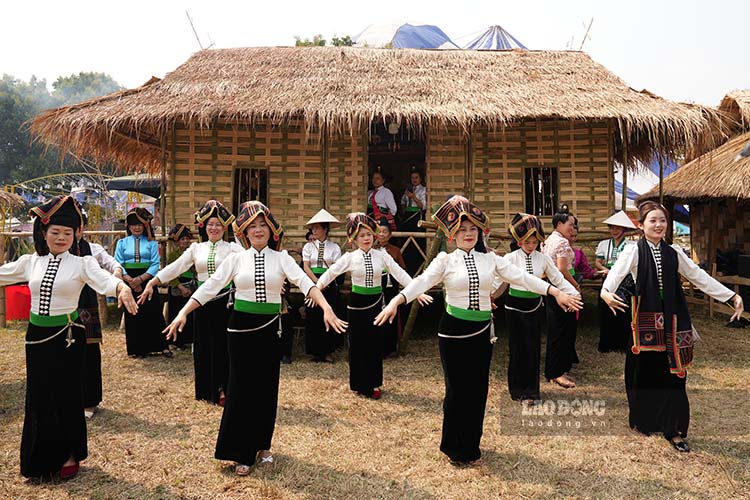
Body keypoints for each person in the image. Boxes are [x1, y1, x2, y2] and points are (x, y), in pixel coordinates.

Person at [375, 196, 583, 465]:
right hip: (452, 332)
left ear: (480, 232)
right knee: (457, 390)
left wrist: (555, 291)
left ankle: (471, 446)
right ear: (452, 235)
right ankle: (453, 446)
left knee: (478, 390)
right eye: (462, 230)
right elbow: (421, 282)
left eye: (472, 229)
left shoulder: (491, 260)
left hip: (482, 331)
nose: (468, 234)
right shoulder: (444, 260)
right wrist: (396, 301)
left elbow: (523, 278)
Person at [163, 201, 347, 475]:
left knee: (266, 387)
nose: (258, 230)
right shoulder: (236, 259)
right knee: (241, 389)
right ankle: (241, 451)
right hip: (240, 330)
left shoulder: (282, 258)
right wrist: (184, 313)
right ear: (244, 233)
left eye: (263, 225)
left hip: (271, 327)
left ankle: (263, 444)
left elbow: (305, 283)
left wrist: (327, 308)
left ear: (271, 230)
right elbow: (211, 287)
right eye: (252, 227)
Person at [0, 195, 137, 479]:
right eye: (55, 232)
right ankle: (39, 460)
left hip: (68, 336)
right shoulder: (30, 263)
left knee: (66, 395)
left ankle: (68, 454)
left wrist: (122, 289)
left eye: (67, 232)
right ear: (44, 233)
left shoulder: (82, 263)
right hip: (36, 336)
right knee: (39, 396)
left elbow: (106, 280)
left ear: (75, 234)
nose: (61, 238)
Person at [601, 201, 744, 453]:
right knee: (645, 373)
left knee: (676, 375)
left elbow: (699, 277)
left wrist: (730, 296)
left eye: (663, 220)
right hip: (646, 322)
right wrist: (605, 293)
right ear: (641, 225)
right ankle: (645, 421)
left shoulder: (674, 252)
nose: (658, 225)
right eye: (653, 220)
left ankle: (675, 430)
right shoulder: (633, 251)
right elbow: (615, 277)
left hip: (675, 322)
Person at [315, 213, 430, 399]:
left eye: (368, 234)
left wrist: (417, 291)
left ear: (374, 235)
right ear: (354, 239)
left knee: (375, 344)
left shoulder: (382, 255)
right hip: (356, 305)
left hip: (376, 304)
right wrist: (316, 290)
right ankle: (359, 384)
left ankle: (374, 383)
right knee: (358, 345)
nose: (366, 238)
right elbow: (330, 273)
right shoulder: (349, 257)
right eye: (361, 235)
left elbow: (399, 273)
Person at [141, 200, 241, 406]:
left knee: (225, 347)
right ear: (203, 226)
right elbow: (176, 267)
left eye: (218, 224)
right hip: (201, 303)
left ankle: (225, 390)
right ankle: (206, 390)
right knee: (204, 346)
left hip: (225, 303)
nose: (214, 228)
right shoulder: (196, 249)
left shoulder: (232, 249)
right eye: (210, 224)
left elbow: (249, 260)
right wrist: (153, 281)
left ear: (224, 227)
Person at [502, 213, 581, 404]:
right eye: (526, 242)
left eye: (534, 241)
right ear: (518, 241)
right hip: (513, 307)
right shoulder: (510, 258)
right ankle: (517, 390)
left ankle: (531, 392)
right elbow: (499, 282)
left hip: (534, 307)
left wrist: (573, 294)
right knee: (517, 349)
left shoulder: (543, 259)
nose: (531, 246)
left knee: (533, 348)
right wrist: (488, 298)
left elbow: (558, 279)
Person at [76, 211, 124, 419]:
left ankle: (90, 401)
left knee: (88, 354)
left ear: (83, 228)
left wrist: (116, 274)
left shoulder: (92, 250)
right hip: (62, 310)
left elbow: (113, 263)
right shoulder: (53, 252)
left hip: (86, 308)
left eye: (78, 227)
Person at [115, 207, 170, 359]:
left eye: (139, 224)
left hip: (148, 280)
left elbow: (155, 263)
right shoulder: (122, 243)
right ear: (128, 226)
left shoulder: (152, 243)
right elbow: (118, 263)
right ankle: (137, 348)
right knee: (133, 313)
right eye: (133, 224)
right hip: (128, 280)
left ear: (145, 226)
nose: (137, 227)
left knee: (154, 313)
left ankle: (162, 346)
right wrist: (130, 280)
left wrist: (141, 279)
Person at [541, 204, 581, 388]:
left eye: (573, 226)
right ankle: (556, 372)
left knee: (557, 330)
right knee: (562, 331)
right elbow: (563, 268)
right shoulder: (562, 242)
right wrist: (575, 286)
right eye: (570, 225)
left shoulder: (550, 240)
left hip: (551, 287)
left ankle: (556, 369)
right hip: (562, 288)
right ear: (559, 224)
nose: (572, 229)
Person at [301, 209, 342, 363]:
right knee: (313, 317)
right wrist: (316, 282)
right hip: (312, 283)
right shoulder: (308, 247)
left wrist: (325, 282)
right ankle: (315, 352)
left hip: (329, 284)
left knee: (329, 315)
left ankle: (328, 351)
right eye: (313, 228)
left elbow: (336, 268)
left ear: (325, 229)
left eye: (318, 228)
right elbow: (306, 267)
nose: (315, 231)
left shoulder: (335, 247)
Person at [595, 211, 637, 353]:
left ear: (624, 229)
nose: (614, 231)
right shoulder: (603, 244)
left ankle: (622, 344)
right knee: (606, 309)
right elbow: (598, 262)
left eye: (618, 228)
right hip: (608, 277)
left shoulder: (631, 245)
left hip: (626, 280)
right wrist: (605, 270)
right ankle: (607, 343)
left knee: (623, 309)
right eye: (612, 228)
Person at [375, 217, 407, 356]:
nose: (381, 234)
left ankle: (390, 348)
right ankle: (376, 346)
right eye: (379, 231)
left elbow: (402, 269)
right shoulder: (371, 249)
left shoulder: (395, 251)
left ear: (389, 235)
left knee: (390, 314)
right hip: (375, 284)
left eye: (384, 232)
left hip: (390, 285)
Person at [165, 223, 196, 350]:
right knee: (176, 313)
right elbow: (170, 274)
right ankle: (177, 341)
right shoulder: (173, 255)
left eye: (187, 239)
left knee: (189, 313)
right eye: (183, 239)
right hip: (178, 285)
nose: (186, 241)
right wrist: (181, 287)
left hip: (190, 285)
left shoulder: (192, 254)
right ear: (177, 241)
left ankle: (189, 339)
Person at [400, 166, 427, 275]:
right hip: (408, 216)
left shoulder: (424, 190)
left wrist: (413, 197)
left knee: (417, 243)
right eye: (412, 178)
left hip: (417, 217)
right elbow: (402, 203)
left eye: (416, 177)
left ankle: (418, 269)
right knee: (406, 243)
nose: (414, 180)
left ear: (421, 178)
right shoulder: (408, 190)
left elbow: (423, 206)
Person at [367, 166, 397, 231]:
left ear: (383, 180)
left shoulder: (386, 192)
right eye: (373, 178)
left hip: (380, 221)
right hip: (370, 220)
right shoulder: (369, 193)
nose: (375, 180)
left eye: (378, 178)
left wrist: (384, 218)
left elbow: (393, 210)